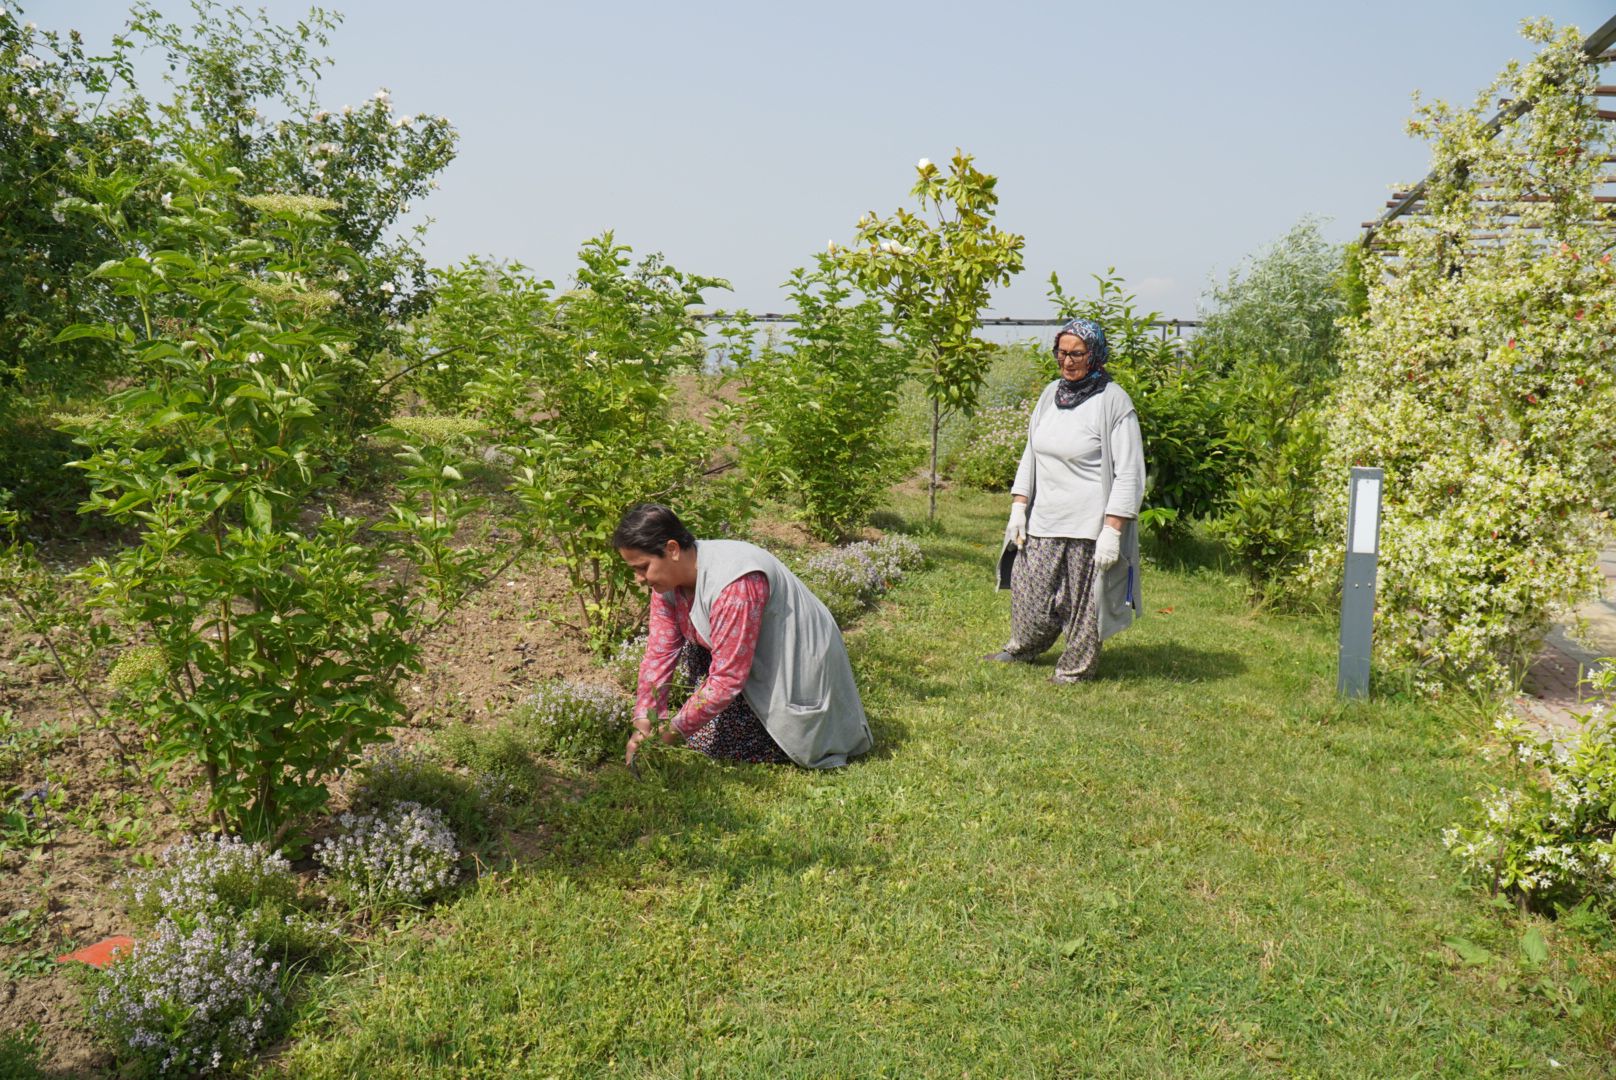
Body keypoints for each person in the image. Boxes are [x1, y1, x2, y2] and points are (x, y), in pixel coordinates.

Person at [613, 503, 873, 768]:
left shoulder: (734, 583)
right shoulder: (668, 583)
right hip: (749, 656)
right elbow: (659, 654)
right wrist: (644, 722)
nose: (639, 579)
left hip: (794, 668)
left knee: (709, 739)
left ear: (672, 549)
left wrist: (671, 733)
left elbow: (727, 679)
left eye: (643, 567)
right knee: (703, 725)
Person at [985, 316, 1146, 683]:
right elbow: (1032, 453)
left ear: (1095, 355)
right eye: (1062, 353)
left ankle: (1075, 669)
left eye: (1077, 353)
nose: (1068, 361)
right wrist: (1018, 507)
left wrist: (1112, 530)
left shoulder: (1113, 402)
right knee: (1030, 594)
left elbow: (1129, 473)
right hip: (1044, 518)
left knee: (1082, 605)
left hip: (1089, 526)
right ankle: (1024, 646)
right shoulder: (1050, 394)